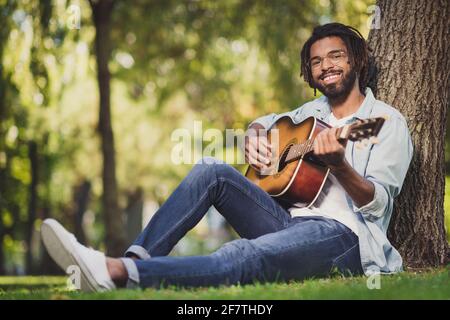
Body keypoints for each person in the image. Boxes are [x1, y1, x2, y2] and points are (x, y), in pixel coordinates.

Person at [41, 23, 413, 292]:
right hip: (284, 219)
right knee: (210, 170)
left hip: (340, 237)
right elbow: (265, 123)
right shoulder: (307, 113)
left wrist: (340, 166)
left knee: (243, 254)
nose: (326, 66)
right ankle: (138, 258)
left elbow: (378, 203)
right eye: (316, 62)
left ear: (358, 60)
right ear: (310, 73)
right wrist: (253, 136)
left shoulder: (383, 122)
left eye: (336, 56)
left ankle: (114, 270)